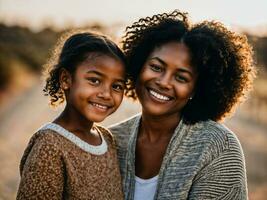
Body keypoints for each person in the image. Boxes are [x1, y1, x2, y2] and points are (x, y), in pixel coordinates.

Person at [110, 10, 256, 200]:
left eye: (181, 77)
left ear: (196, 89)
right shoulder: (110, 140)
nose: (164, 82)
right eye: (156, 67)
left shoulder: (218, 147)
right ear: (138, 65)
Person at [17, 31, 128, 199]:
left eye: (117, 86)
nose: (106, 94)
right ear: (65, 79)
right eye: (95, 80)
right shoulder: (50, 146)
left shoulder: (106, 139)